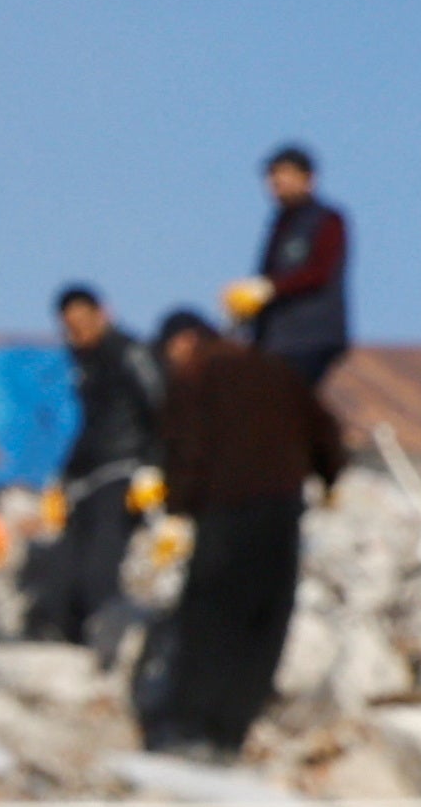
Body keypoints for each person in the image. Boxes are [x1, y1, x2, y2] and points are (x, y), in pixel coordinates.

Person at [146, 307, 350, 754]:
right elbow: (326, 431)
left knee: (209, 619)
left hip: (225, 513)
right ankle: (230, 731)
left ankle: (190, 726)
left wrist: (177, 509)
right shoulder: (274, 369)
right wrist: (330, 477)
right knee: (263, 621)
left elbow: (184, 445)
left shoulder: (194, 377)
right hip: (281, 512)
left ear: (183, 342)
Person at [28, 286, 163, 646]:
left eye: (83, 323)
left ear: (101, 315)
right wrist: (65, 477)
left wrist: (152, 466)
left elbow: (160, 407)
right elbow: (87, 427)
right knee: (62, 566)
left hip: (122, 472)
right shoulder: (79, 365)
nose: (77, 333)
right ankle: (65, 641)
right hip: (86, 479)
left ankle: (106, 641)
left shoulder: (129, 354)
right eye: (69, 327)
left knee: (99, 568)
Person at [225, 144, 352, 387]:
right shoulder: (280, 223)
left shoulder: (328, 220)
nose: (278, 183)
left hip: (311, 337)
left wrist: (270, 287)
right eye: (273, 176)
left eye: (285, 175)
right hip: (274, 339)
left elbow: (320, 271)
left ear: (308, 179)